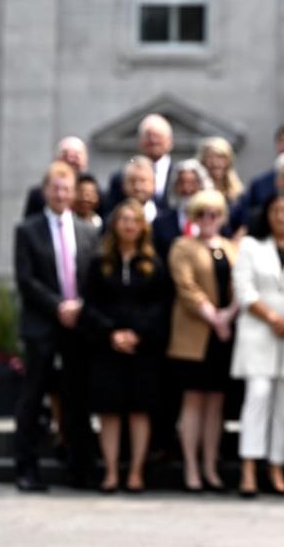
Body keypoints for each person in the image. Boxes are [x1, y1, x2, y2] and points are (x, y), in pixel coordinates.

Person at [13, 161, 100, 492]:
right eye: (55, 187)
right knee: (33, 398)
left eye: (67, 188)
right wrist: (57, 306)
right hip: (42, 325)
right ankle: (26, 468)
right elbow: (26, 279)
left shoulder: (89, 231)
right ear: (45, 191)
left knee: (78, 399)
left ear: (74, 192)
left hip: (79, 326)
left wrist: (79, 307)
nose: (61, 194)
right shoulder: (27, 230)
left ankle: (79, 469)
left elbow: (93, 278)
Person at [230, 192, 284, 497]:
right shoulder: (251, 247)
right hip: (259, 331)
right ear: (267, 215)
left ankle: (276, 466)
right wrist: (272, 318)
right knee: (258, 395)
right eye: (276, 211)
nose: (282, 217)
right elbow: (244, 289)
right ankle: (249, 468)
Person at [84, 199, 172, 494]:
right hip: (106, 347)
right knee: (109, 410)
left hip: (142, 348)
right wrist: (111, 333)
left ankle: (135, 471)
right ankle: (110, 471)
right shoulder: (100, 262)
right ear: (115, 225)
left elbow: (160, 306)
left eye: (135, 220)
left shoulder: (153, 263)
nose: (129, 225)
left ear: (142, 226)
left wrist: (137, 334)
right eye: (124, 220)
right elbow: (91, 304)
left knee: (139, 409)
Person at [167, 189, 239, 492]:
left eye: (214, 214)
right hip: (196, 333)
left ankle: (211, 466)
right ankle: (191, 469)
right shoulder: (183, 246)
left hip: (224, 334)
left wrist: (229, 315)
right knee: (194, 400)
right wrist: (215, 318)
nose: (209, 220)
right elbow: (186, 287)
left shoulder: (231, 247)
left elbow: (242, 285)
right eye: (202, 214)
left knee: (216, 403)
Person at [105, 114, 175, 213]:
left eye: (158, 136)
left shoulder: (181, 177)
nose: (153, 141)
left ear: (170, 141)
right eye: (148, 136)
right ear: (139, 141)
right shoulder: (119, 177)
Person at [22, 136, 92, 219]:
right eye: (65, 155)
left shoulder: (95, 194)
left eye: (76, 155)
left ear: (85, 159)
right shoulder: (38, 195)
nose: (71, 159)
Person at [154, 159, 211, 260]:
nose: (186, 189)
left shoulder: (213, 219)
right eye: (181, 183)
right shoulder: (161, 223)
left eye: (192, 183)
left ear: (202, 186)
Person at [198, 136, 245, 208]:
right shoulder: (196, 192)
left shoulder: (238, 193)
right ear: (202, 161)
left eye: (220, 157)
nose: (215, 163)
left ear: (229, 161)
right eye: (210, 157)